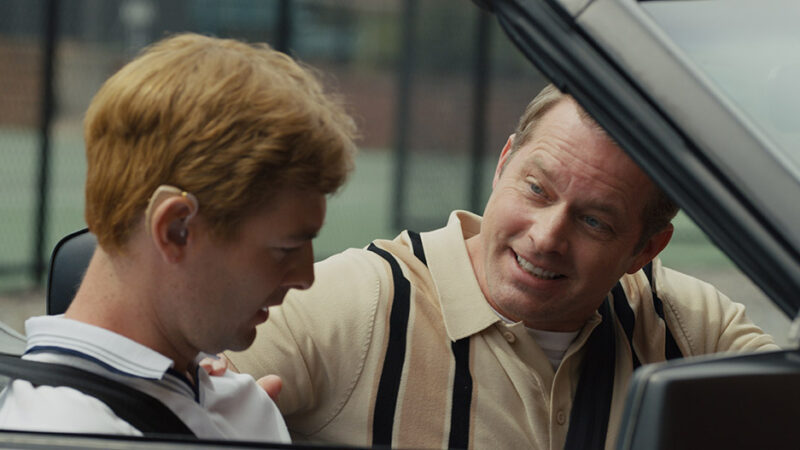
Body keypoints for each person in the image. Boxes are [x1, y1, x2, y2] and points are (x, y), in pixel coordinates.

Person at [225, 84, 777, 449]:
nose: (546, 237)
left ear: (645, 251)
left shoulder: (690, 326)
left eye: (594, 222)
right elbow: (157, 401)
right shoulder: (353, 303)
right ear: (504, 163)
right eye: (536, 188)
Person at [0, 33, 357, 441]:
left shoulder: (239, 403)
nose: (305, 276)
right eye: (285, 249)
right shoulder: (59, 430)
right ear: (175, 230)